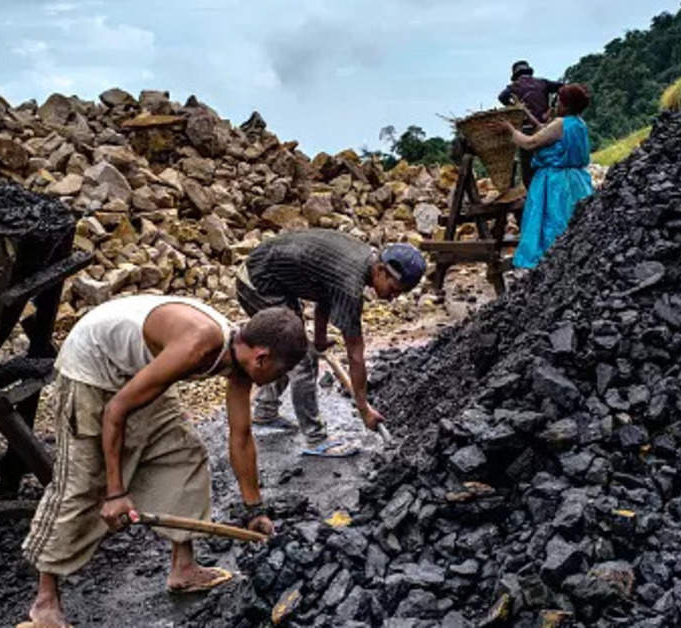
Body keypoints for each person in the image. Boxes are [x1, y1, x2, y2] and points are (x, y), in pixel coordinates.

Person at [21, 296, 308, 627]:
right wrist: (115, 492)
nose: (278, 381)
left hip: (138, 368)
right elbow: (116, 411)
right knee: (82, 483)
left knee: (185, 452)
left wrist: (254, 510)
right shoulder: (198, 345)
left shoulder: (240, 359)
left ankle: (184, 569)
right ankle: (45, 601)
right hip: (93, 366)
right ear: (262, 357)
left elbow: (241, 437)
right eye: (281, 372)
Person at [235, 230, 426, 443]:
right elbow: (355, 354)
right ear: (381, 270)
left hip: (273, 277)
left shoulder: (363, 261)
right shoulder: (350, 284)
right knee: (301, 357)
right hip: (257, 282)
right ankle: (316, 439)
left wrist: (319, 338)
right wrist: (364, 409)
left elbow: (324, 293)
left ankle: (265, 412)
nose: (392, 298)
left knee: (294, 346)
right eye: (393, 290)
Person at [501, 84, 594, 269]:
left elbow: (530, 142)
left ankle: (551, 265)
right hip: (577, 181)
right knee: (574, 223)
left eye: (559, 101)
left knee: (551, 224)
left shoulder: (560, 124)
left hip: (554, 183)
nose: (556, 105)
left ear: (566, 105)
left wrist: (510, 130)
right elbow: (546, 130)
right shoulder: (579, 123)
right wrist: (527, 114)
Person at [498, 61, 564, 187]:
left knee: (528, 168)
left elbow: (502, 97)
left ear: (516, 75)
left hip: (526, 129)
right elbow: (562, 86)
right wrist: (552, 106)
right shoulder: (543, 83)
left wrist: (515, 107)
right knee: (547, 161)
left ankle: (533, 195)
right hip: (547, 129)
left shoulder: (514, 87)